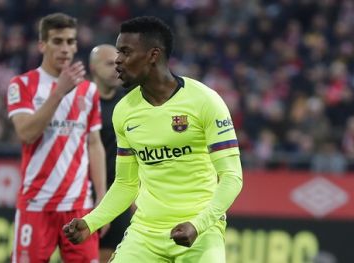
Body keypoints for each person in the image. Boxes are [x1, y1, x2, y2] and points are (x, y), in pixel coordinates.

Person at [63, 16, 243, 262]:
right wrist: (90, 222)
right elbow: (126, 184)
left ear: (153, 55)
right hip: (145, 234)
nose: (117, 60)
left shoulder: (205, 101)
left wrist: (198, 225)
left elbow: (232, 178)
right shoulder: (124, 111)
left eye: (125, 52)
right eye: (118, 53)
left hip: (201, 231)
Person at [6, 13, 106, 263]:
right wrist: (59, 92)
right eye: (58, 41)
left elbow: (94, 144)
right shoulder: (23, 85)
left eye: (70, 42)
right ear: (42, 45)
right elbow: (27, 133)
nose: (65, 48)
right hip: (37, 203)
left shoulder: (89, 90)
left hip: (79, 205)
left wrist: (102, 201)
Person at [89, 44, 133, 262]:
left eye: (118, 63)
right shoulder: (82, 100)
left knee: (111, 255)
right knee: (81, 254)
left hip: (120, 192)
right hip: (84, 192)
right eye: (109, 63)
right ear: (93, 67)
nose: (116, 68)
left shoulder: (129, 101)